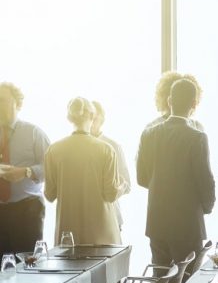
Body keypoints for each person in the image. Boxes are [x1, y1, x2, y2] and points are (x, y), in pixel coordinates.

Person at [137, 78, 215, 273]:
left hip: (157, 220)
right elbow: (205, 180)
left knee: (160, 282)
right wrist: (207, 207)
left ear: (170, 101)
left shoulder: (148, 134)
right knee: (187, 282)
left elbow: (141, 178)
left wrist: (161, 188)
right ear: (194, 104)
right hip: (187, 221)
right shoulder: (197, 137)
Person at [44, 97, 123, 244]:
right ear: (92, 117)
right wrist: (121, 186)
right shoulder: (106, 150)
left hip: (68, 234)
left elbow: (49, 195)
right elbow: (111, 195)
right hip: (102, 233)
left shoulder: (53, 151)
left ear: (69, 118)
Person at [0, 82, 50, 255]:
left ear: (18, 104)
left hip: (27, 211)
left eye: (3, 100)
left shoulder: (34, 133)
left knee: (28, 267)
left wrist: (26, 172)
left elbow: (50, 168)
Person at [91, 101, 131, 230]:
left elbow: (127, 184)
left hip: (111, 216)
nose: (91, 123)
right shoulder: (73, 147)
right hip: (83, 216)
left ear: (101, 119)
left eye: (94, 118)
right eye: (88, 118)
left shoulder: (113, 146)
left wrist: (113, 190)